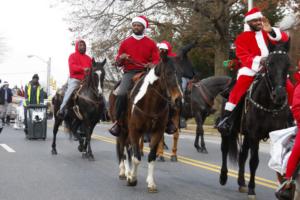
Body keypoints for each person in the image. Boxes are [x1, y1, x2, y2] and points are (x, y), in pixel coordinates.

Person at [217, 7, 290, 134]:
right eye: (255, 20)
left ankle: (292, 117)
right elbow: (243, 56)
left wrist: (271, 30)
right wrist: (260, 60)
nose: (258, 22)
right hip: (251, 68)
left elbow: (283, 39)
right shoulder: (242, 38)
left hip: (271, 68)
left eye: (260, 20)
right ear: (249, 22)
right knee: (239, 88)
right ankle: (227, 118)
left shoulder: (267, 32)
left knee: (288, 86)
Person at [109, 15, 163, 137]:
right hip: (130, 73)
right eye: (134, 25)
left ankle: (165, 121)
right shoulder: (125, 42)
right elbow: (118, 62)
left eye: (139, 25)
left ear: (143, 27)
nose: (136, 27)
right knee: (122, 93)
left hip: (146, 73)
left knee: (161, 91)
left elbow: (156, 60)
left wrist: (152, 64)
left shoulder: (151, 43)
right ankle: (118, 122)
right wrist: (121, 58)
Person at [56, 39, 92, 118]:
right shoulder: (72, 56)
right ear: (77, 46)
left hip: (86, 80)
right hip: (76, 79)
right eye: (81, 45)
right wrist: (83, 69)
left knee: (97, 90)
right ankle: (62, 109)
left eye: (84, 45)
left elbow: (92, 69)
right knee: (70, 91)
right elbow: (72, 67)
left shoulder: (89, 59)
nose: (83, 47)